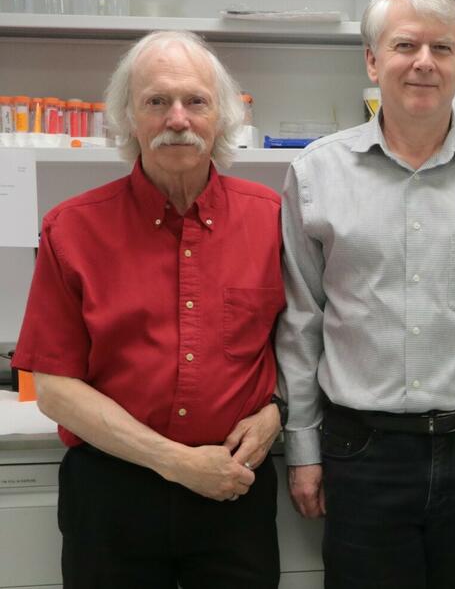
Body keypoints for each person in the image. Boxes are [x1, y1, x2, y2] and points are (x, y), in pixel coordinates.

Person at [275, 0, 455, 589]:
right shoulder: (316, 174)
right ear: (373, 60)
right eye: (405, 45)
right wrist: (303, 448)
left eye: (444, 48)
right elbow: (302, 325)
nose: (424, 62)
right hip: (363, 453)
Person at [12, 30, 284, 589]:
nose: (177, 119)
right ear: (128, 119)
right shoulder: (72, 228)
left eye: (195, 101)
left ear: (223, 118)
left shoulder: (274, 220)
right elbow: (54, 387)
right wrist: (178, 463)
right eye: (156, 102)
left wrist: (277, 410)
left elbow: (302, 345)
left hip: (235, 490)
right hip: (113, 496)